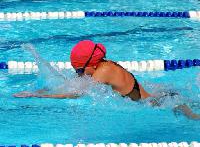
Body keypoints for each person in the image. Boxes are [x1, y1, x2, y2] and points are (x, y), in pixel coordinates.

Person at [14, 40, 200, 120]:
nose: (78, 74)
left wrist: (38, 96)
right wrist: (45, 88)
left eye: (79, 70)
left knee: (193, 117)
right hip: (159, 96)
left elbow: (75, 94)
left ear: (90, 64)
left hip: (158, 102)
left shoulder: (104, 71)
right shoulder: (100, 66)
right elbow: (69, 85)